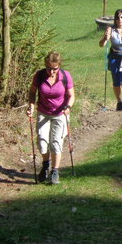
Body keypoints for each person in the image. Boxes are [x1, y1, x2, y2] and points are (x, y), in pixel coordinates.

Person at [27, 51, 75, 185]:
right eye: (48, 68)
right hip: (43, 112)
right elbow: (32, 92)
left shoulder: (65, 76)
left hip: (60, 113)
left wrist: (68, 107)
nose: (51, 72)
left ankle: (55, 171)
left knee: (55, 142)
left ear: (59, 66)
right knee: (42, 142)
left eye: (54, 69)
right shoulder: (39, 75)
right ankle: (46, 164)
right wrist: (31, 105)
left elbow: (71, 95)